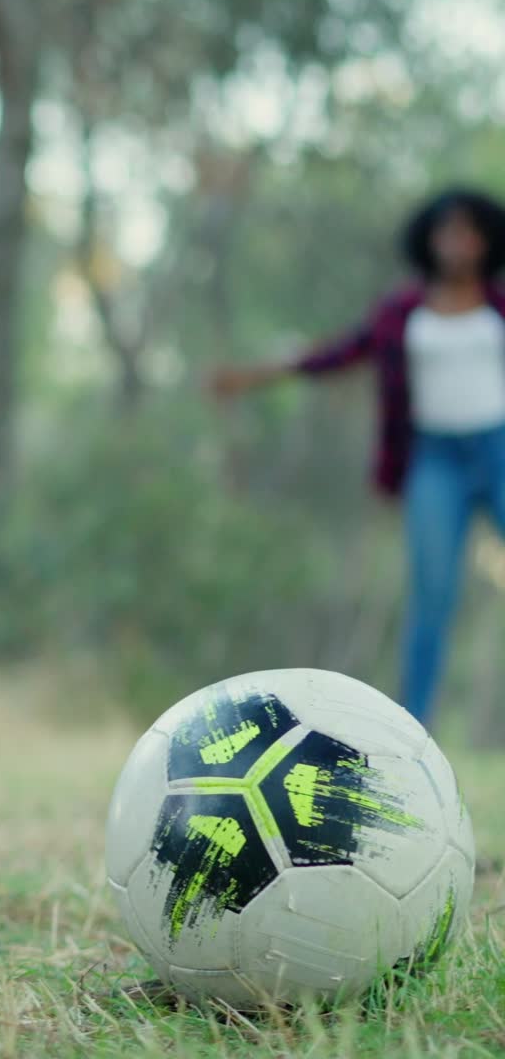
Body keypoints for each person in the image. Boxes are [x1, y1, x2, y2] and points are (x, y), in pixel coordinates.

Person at [209, 187, 505, 726]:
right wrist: (253, 376)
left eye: (470, 232)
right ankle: (417, 733)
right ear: (430, 239)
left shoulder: (499, 307)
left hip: (499, 446)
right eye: (448, 231)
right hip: (434, 458)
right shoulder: (401, 313)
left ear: (487, 241)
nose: (458, 243)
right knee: (432, 595)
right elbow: (335, 354)